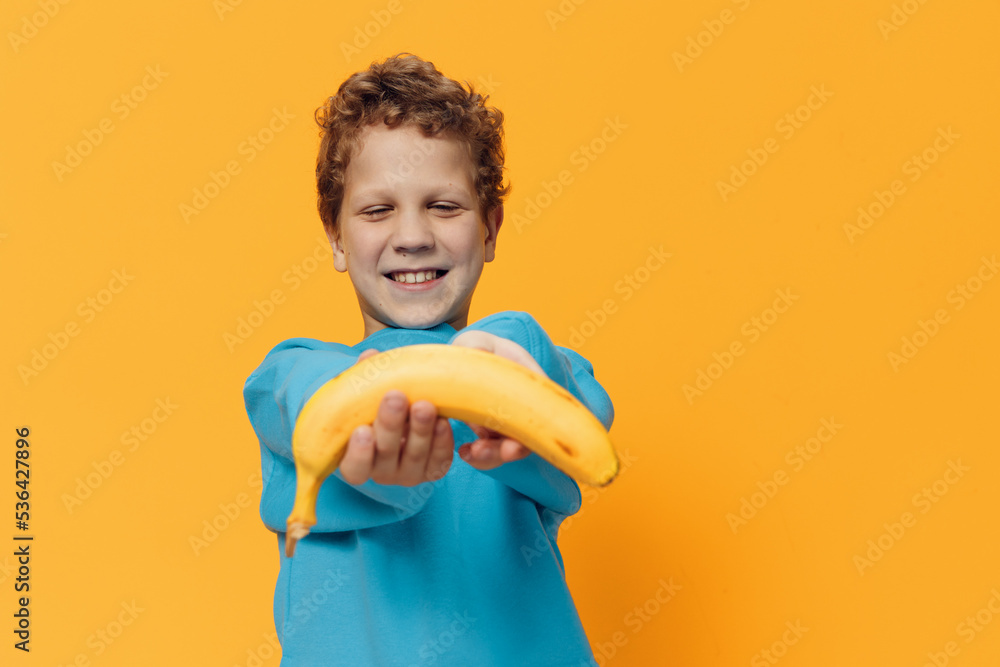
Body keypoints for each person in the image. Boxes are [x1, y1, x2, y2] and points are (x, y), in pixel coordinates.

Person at [243, 52, 614, 666]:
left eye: (444, 206)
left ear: (490, 228)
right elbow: (302, 396)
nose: (413, 236)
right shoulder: (292, 374)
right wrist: (371, 441)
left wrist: (508, 357)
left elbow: (579, 407)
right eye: (377, 210)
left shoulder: (529, 366)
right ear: (336, 237)